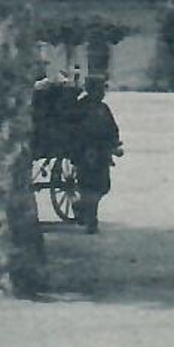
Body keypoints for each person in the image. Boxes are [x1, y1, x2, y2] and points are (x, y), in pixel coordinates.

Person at [72, 77, 122, 234]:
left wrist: (114, 144)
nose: (102, 93)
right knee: (88, 185)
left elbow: (113, 129)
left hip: (102, 152)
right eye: (99, 90)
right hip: (85, 152)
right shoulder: (80, 108)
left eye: (103, 90)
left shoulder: (104, 108)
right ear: (91, 90)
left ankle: (81, 206)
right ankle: (92, 220)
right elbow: (73, 131)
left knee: (103, 186)